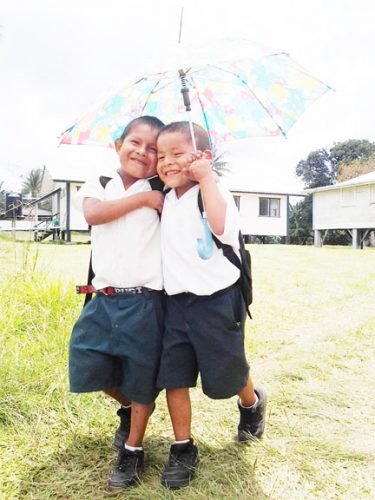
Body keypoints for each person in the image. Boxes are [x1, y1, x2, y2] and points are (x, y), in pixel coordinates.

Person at [155, 121, 267, 489]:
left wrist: (206, 179)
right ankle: (183, 446)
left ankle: (251, 403)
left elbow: (220, 227)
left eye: (176, 153)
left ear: (202, 156)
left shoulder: (214, 189)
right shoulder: (166, 196)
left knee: (227, 370)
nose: (166, 162)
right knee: (174, 375)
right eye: (161, 155)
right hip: (175, 303)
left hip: (217, 301)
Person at [68, 116, 165, 489]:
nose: (143, 152)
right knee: (86, 362)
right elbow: (94, 214)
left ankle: (133, 450)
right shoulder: (101, 183)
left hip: (145, 300)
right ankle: (127, 408)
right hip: (102, 298)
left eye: (153, 148)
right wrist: (142, 198)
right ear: (118, 146)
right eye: (135, 143)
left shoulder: (163, 187)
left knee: (142, 378)